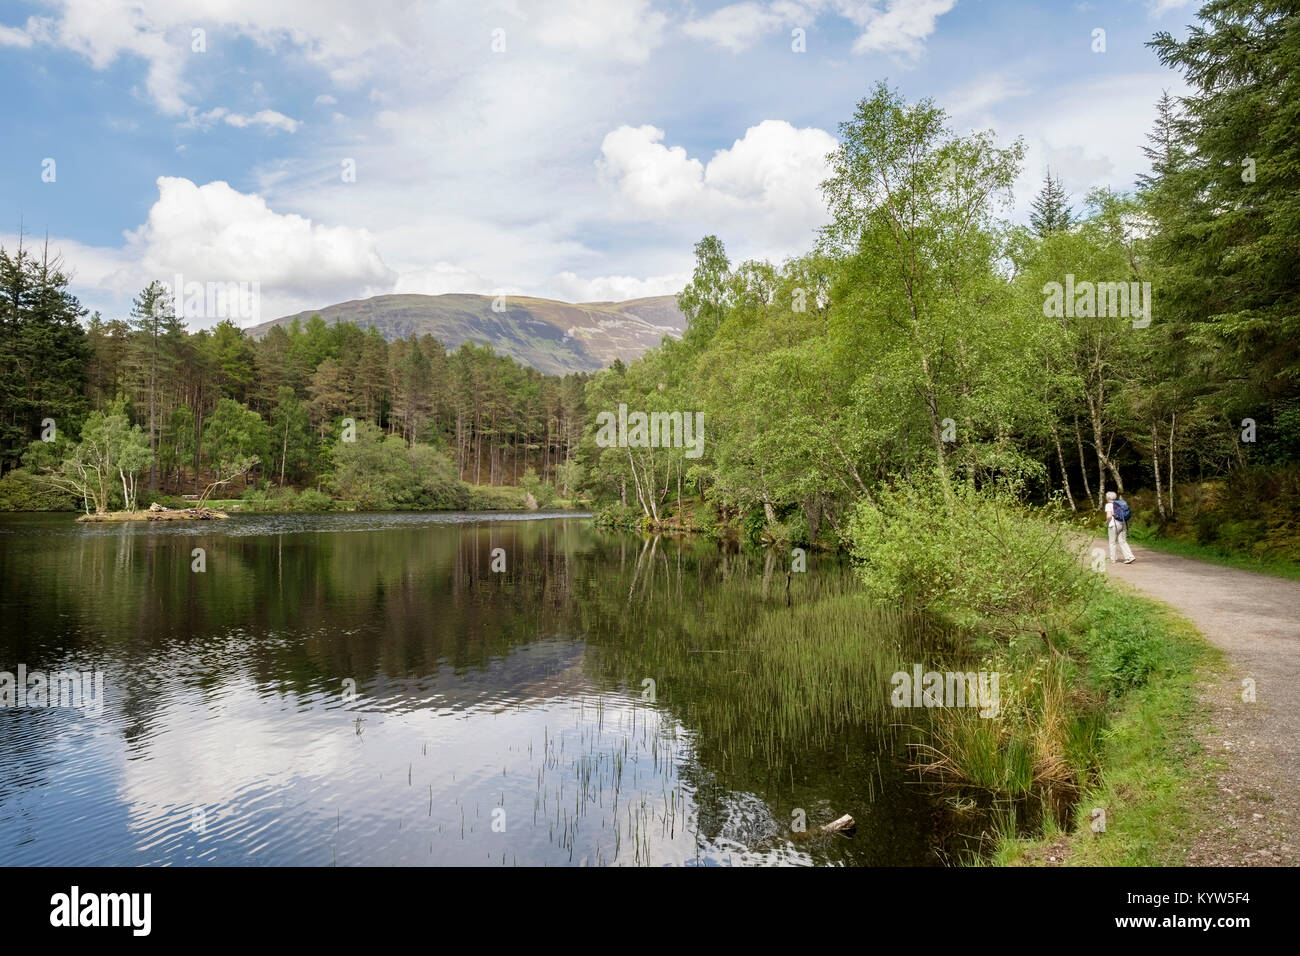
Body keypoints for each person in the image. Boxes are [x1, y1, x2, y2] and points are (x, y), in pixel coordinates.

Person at [1105, 491, 1135, 564]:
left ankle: (1113, 559)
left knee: (1112, 542)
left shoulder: (1108, 505)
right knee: (1123, 541)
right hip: (1123, 523)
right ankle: (1130, 557)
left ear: (1108, 498)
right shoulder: (1119, 504)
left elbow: (1109, 516)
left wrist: (1107, 522)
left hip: (1113, 525)